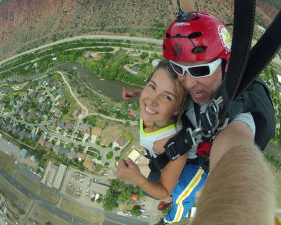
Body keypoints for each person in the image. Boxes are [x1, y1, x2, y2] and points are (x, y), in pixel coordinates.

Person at [120, 12, 276, 225]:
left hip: (194, 165)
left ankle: (171, 220)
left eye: (201, 70)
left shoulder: (237, 116)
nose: (189, 82)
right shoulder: (190, 87)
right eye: (179, 69)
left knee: (180, 195)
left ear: (227, 65)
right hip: (177, 155)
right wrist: (140, 93)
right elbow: (171, 92)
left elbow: (235, 151)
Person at [117, 59, 206, 211]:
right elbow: (156, 96)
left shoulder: (174, 146)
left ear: (178, 109)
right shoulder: (154, 112)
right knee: (153, 183)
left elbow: (164, 189)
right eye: (152, 86)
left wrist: (137, 178)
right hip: (161, 158)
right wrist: (138, 93)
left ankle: (174, 206)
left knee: (177, 192)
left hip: (192, 167)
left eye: (167, 97)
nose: (151, 101)